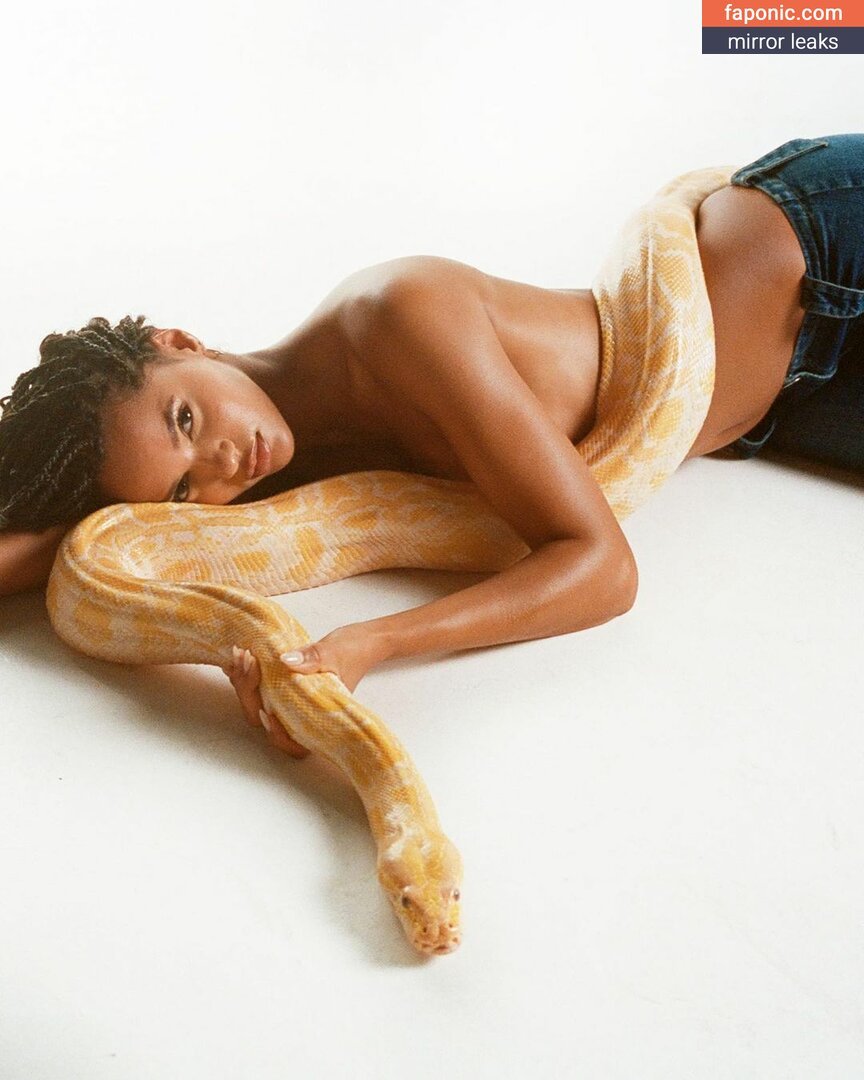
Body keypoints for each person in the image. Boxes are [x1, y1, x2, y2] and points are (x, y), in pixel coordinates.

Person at [1, 134, 862, 753]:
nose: (220, 464)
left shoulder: (395, 318)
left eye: (186, 420)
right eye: (185, 489)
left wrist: (368, 644)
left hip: (814, 249)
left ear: (180, 342)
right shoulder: (273, 467)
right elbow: (62, 547)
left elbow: (602, 568)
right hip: (786, 407)